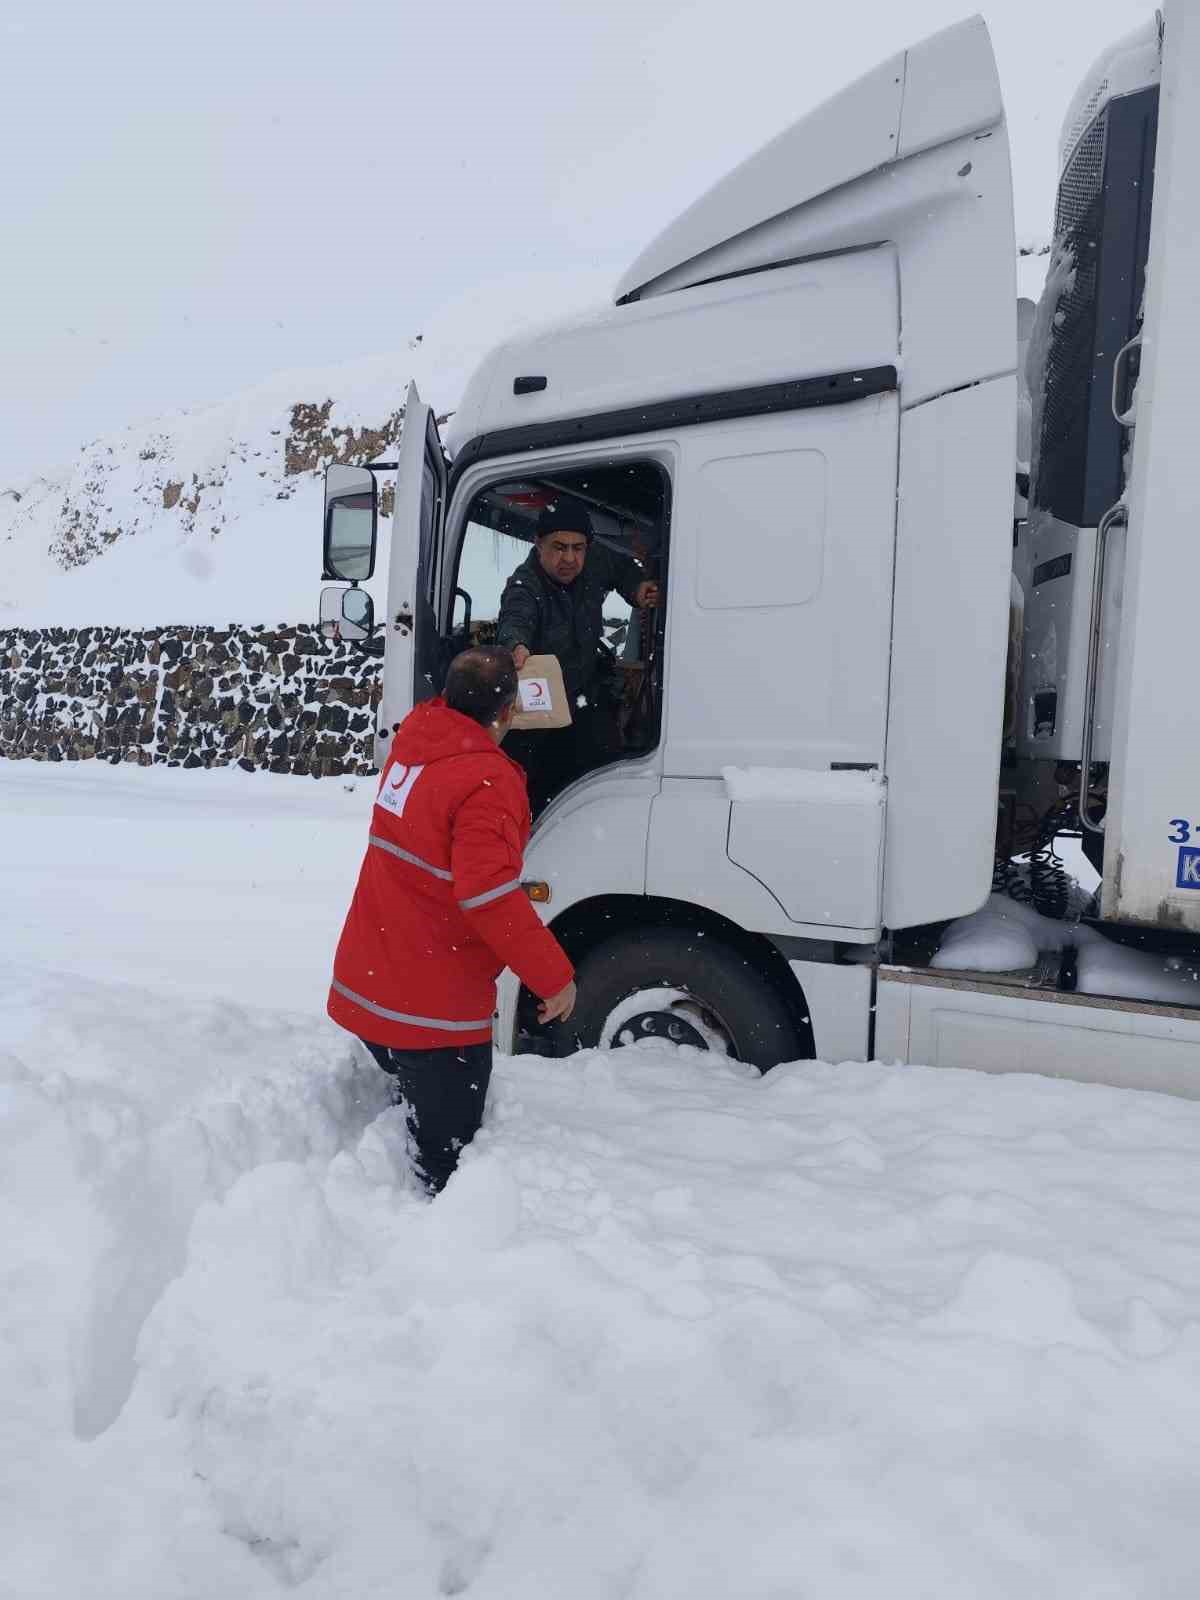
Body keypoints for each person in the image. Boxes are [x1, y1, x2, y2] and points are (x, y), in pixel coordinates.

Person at [327, 646, 577, 1194]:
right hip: (434, 1017)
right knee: (448, 1172)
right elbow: (488, 893)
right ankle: (425, 1257)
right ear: (510, 711)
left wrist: (490, 668)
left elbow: (461, 697)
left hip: (373, 990)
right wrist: (553, 976)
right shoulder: (488, 782)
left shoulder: (415, 741)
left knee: (415, 1105)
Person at [496, 496, 660, 813]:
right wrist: (516, 645)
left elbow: (623, 568)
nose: (569, 558)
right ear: (538, 544)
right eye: (559, 547)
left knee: (605, 773)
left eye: (578, 547)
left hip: (586, 691)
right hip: (542, 709)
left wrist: (638, 588)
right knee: (537, 788)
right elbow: (515, 619)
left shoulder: (593, 559)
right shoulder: (524, 585)